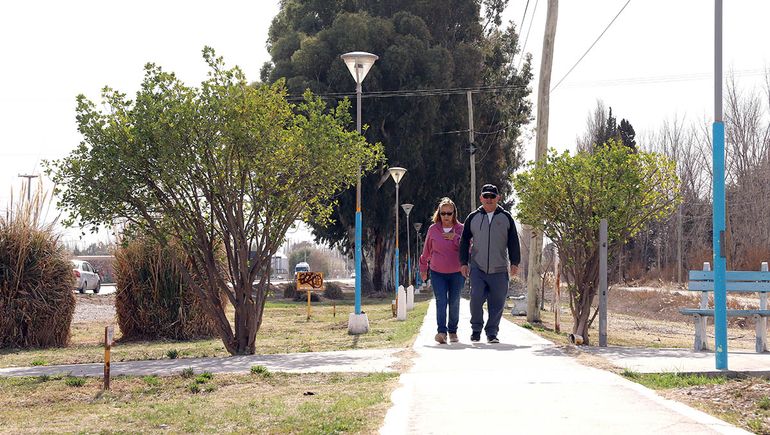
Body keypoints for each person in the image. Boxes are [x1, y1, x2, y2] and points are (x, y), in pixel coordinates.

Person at [459, 184, 520, 344]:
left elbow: (513, 241)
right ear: (481, 198)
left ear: (498, 198)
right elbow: (464, 240)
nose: (489, 199)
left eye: (492, 196)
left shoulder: (506, 217)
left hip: (499, 268)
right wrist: (463, 262)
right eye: (486, 196)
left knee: (497, 303)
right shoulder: (473, 217)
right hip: (477, 268)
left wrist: (515, 262)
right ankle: (476, 330)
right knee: (476, 298)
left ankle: (492, 333)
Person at [419, 197, 465, 344]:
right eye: (443, 213)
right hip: (437, 272)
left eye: (449, 213)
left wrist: (455, 238)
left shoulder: (461, 229)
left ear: (454, 214)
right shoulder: (433, 229)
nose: (446, 216)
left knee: (454, 301)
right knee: (441, 301)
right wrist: (423, 268)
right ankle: (441, 332)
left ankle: (453, 331)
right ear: (439, 213)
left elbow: (468, 248)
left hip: (457, 272)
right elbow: (426, 251)